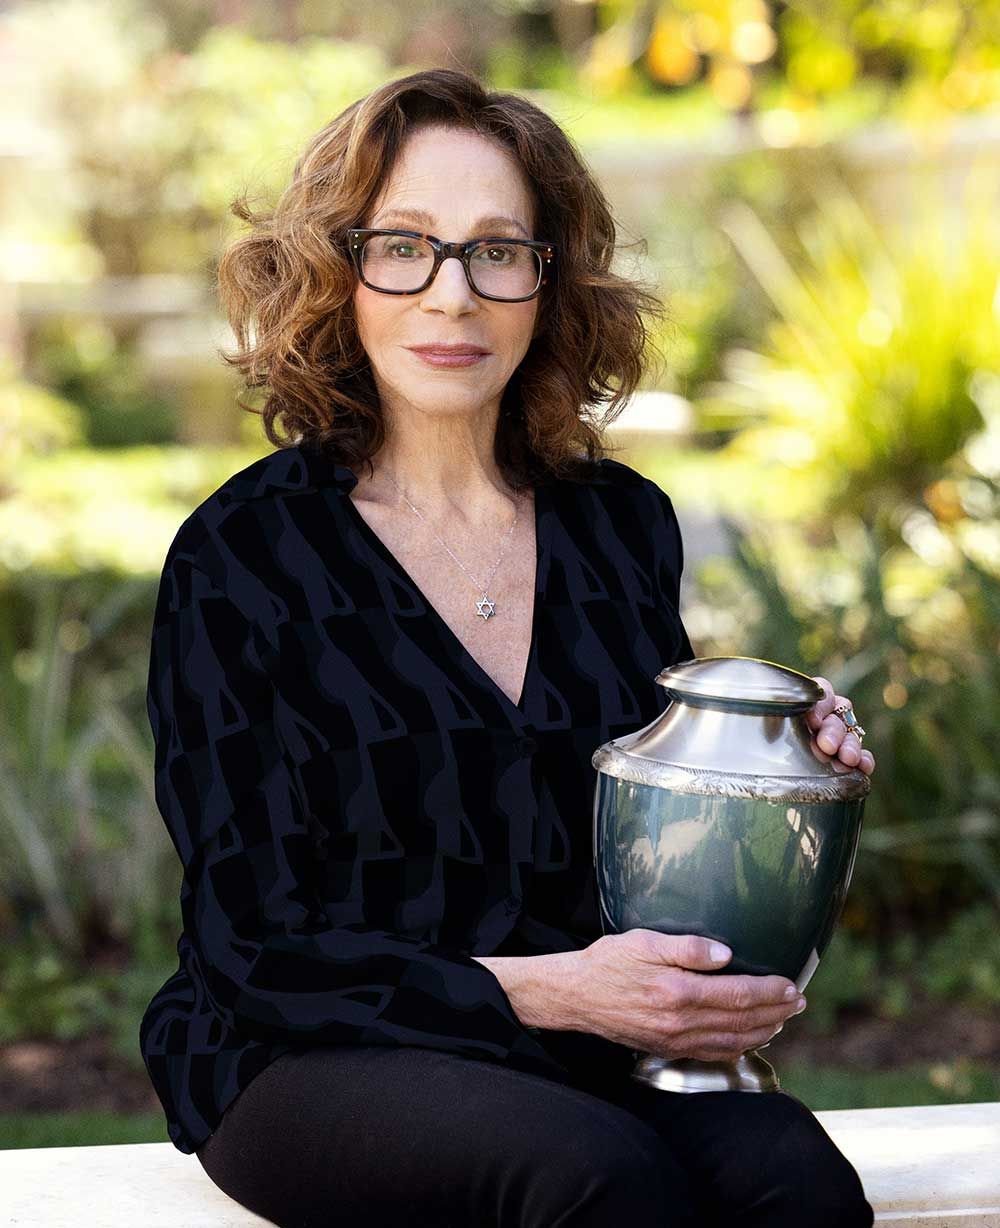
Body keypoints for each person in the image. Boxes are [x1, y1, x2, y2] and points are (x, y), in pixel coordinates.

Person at [139, 67, 877, 1228]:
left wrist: (775, 761)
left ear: (548, 282)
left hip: (583, 1037)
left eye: (497, 250)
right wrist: (554, 991)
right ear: (339, 273)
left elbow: (646, 830)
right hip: (303, 1055)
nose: (452, 294)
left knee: (798, 1183)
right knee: (595, 1181)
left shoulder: (617, 527)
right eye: (404, 245)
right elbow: (256, 945)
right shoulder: (241, 556)